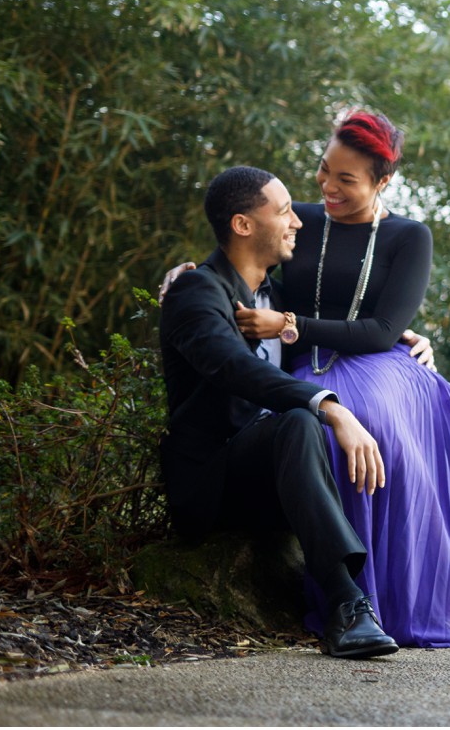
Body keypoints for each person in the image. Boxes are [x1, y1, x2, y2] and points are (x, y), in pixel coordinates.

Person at [232, 111, 450, 649]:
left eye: (346, 180)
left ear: (383, 181)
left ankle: (404, 600)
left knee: (385, 422)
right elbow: (239, 255)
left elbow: (384, 330)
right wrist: (190, 274)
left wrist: (291, 325)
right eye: (324, 171)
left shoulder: (407, 236)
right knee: (329, 429)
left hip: (383, 365)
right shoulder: (299, 220)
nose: (328, 186)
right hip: (309, 367)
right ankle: (350, 594)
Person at [158, 166, 399, 659]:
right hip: (214, 482)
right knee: (301, 419)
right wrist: (330, 407)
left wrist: (403, 337)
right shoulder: (195, 293)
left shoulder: (280, 299)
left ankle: (387, 593)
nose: (298, 222)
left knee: (311, 425)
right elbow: (233, 369)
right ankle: (346, 603)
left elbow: (335, 330)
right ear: (243, 225)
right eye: (285, 210)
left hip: (277, 476)